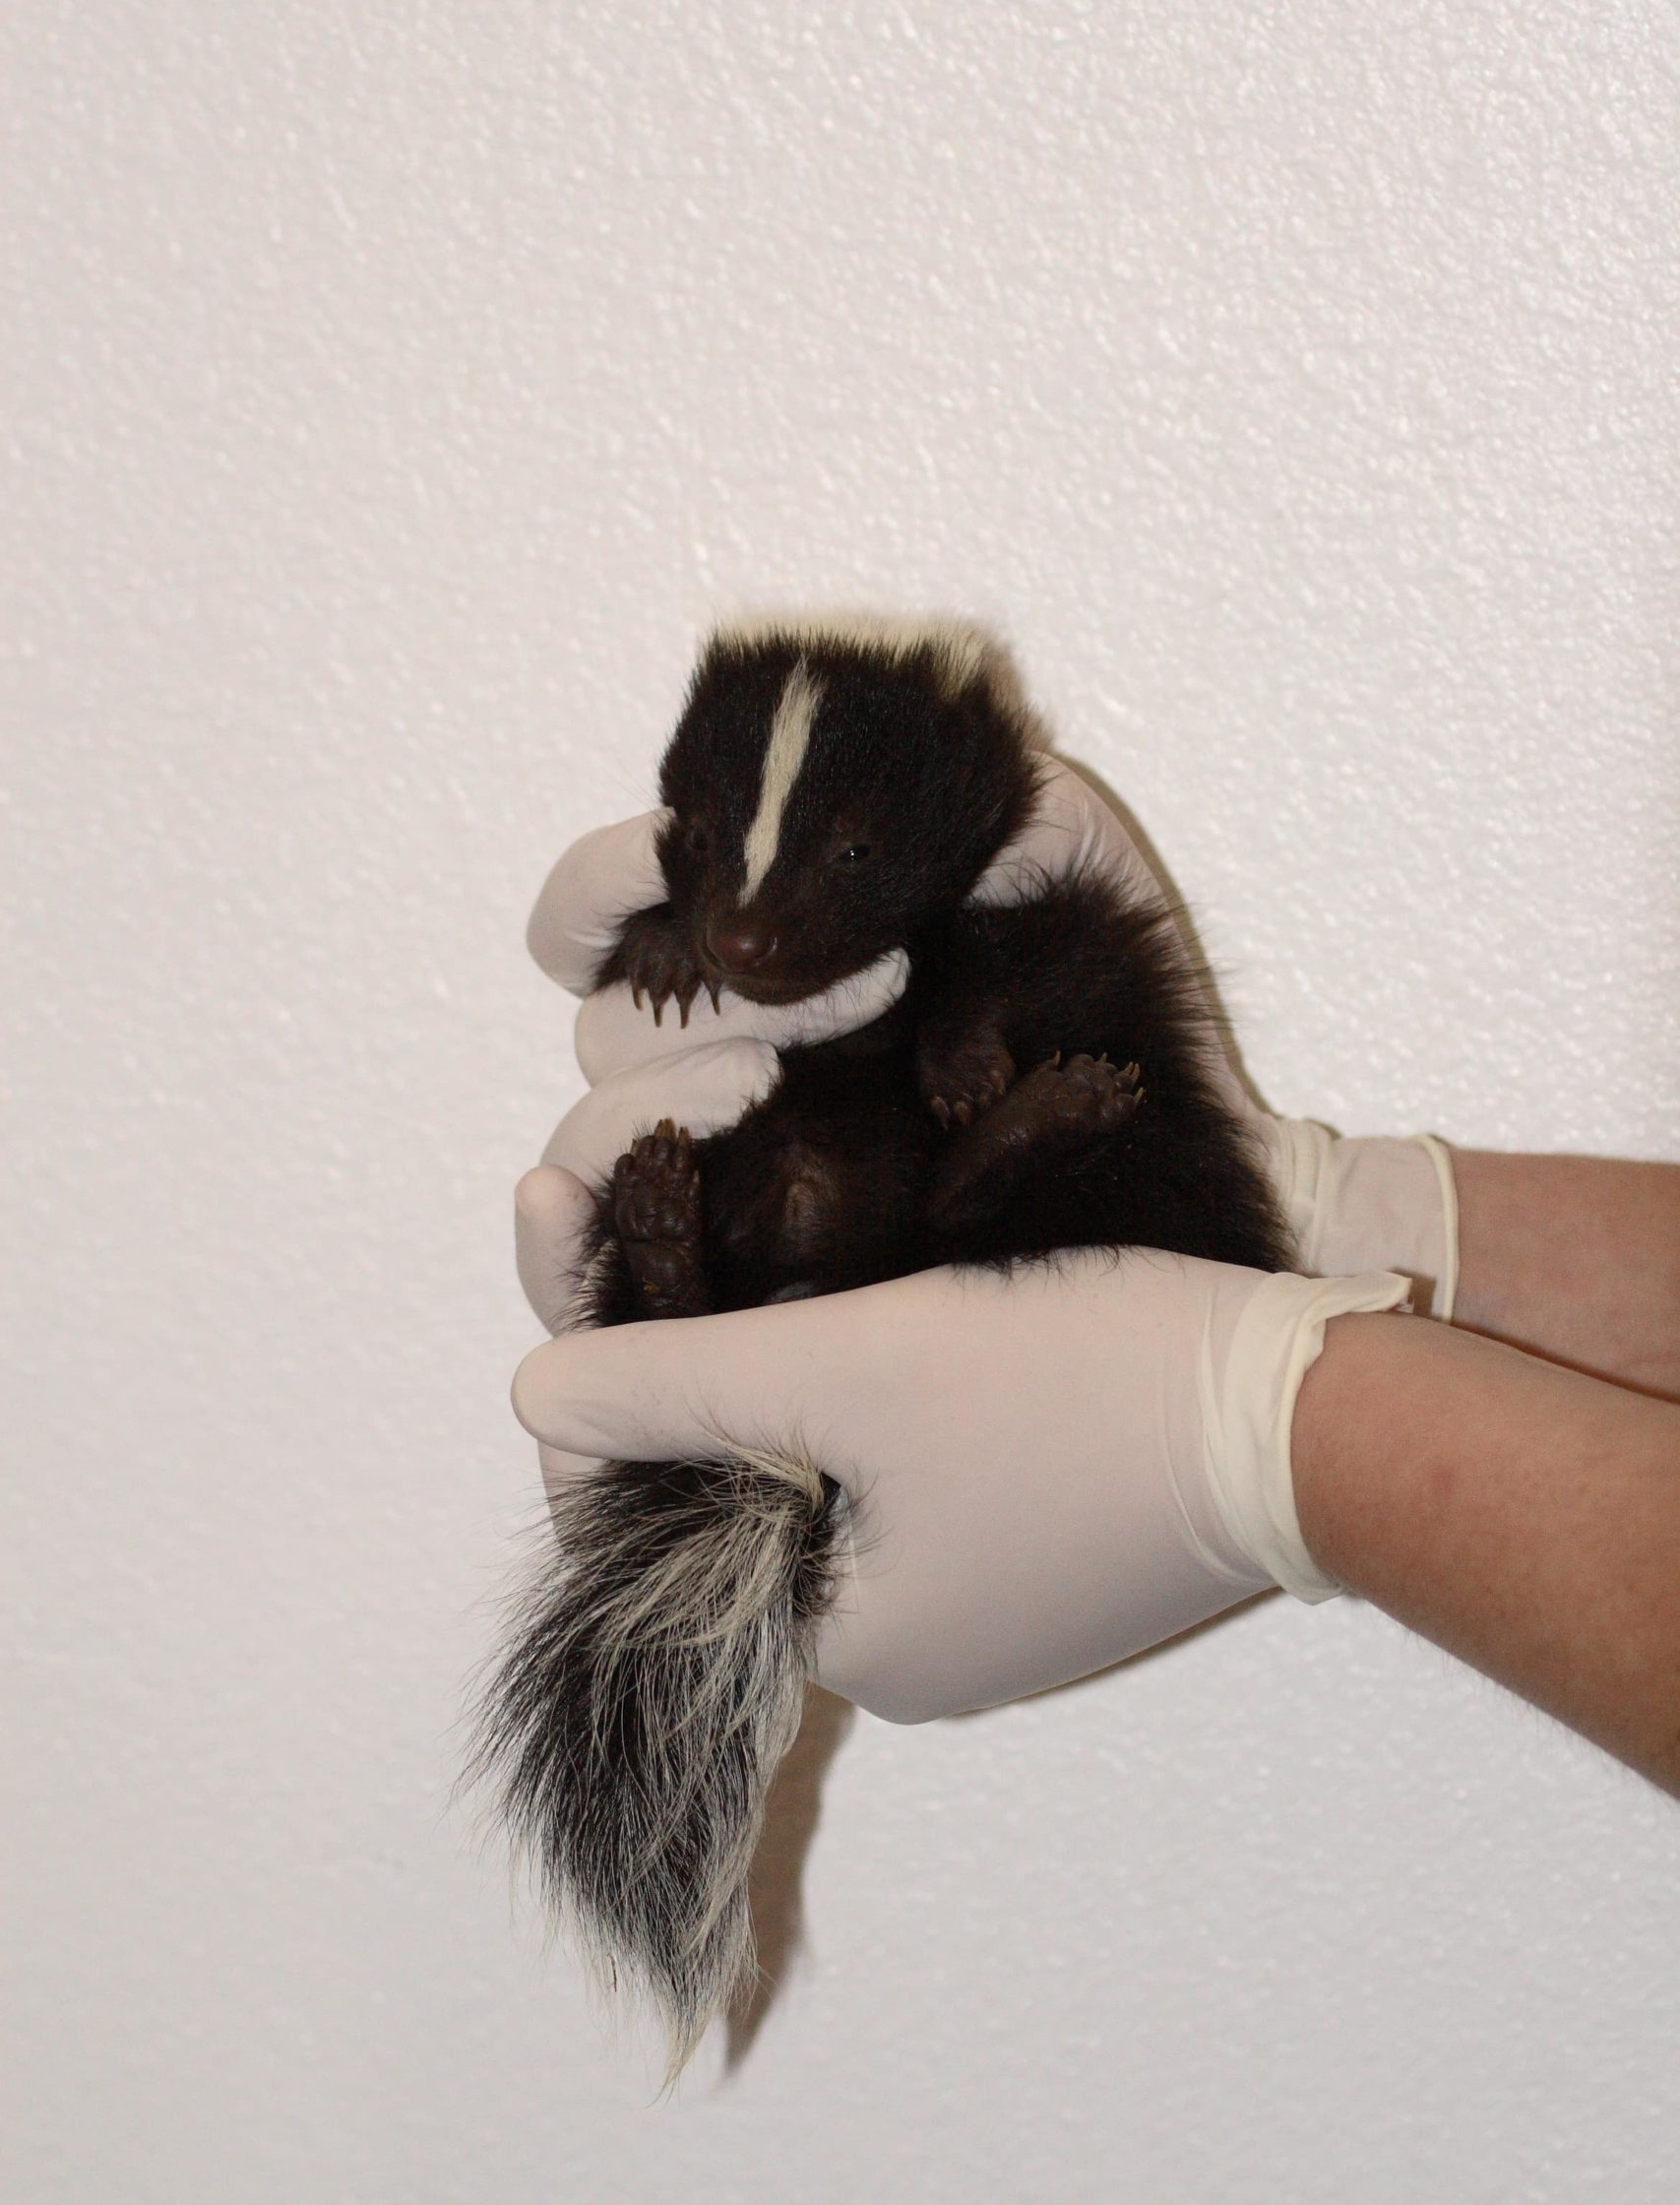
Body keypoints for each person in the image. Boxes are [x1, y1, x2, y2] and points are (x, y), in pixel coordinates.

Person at [508, 762, 1680, 1796]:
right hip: (893, 1217)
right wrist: (1327, 1226)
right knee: (739, 1282)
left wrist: (1285, 1430)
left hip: (947, 1206)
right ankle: (686, 1285)